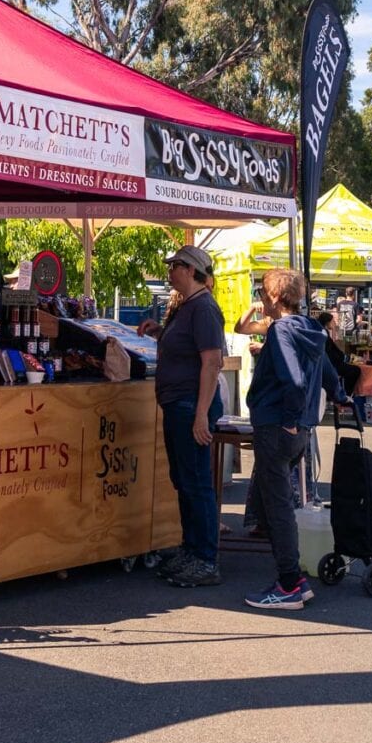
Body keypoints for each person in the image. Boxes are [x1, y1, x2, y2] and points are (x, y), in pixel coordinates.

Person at [243, 268, 345, 612]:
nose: (261, 300)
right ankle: (292, 581)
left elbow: (296, 379)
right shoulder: (312, 328)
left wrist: (287, 419)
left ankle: (289, 583)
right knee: (277, 502)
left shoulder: (282, 330)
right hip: (297, 427)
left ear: (273, 297)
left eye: (262, 294)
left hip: (278, 426)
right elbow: (328, 372)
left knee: (278, 506)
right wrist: (340, 395)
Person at [138, 245, 224, 588]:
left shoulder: (202, 308)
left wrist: (201, 414)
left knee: (196, 482)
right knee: (185, 480)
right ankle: (193, 549)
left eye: (174, 266)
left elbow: (212, 362)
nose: (170, 271)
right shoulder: (189, 306)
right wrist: (160, 333)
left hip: (190, 404)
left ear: (190, 269)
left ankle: (204, 558)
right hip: (181, 403)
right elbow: (191, 350)